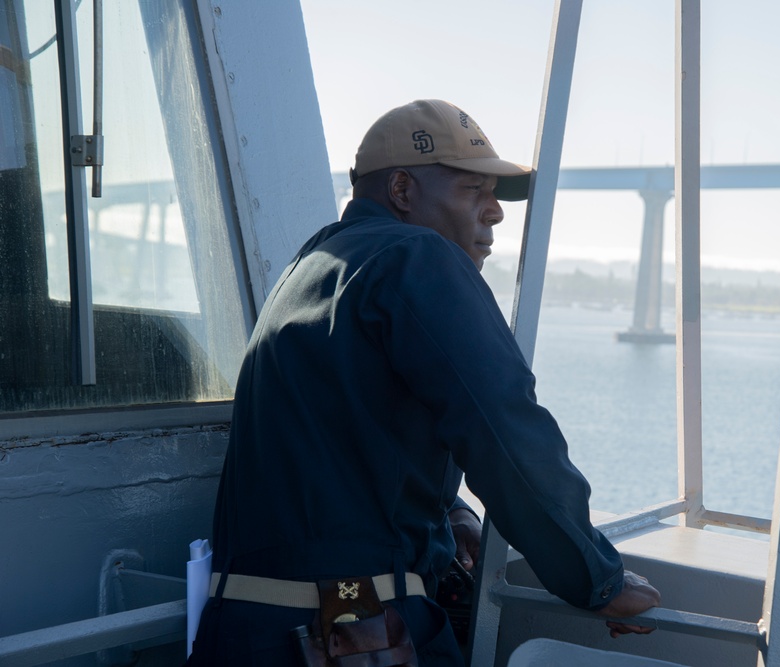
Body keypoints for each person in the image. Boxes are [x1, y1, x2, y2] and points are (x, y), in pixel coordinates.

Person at [188, 99, 660, 666]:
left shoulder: (313, 264)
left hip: (242, 630)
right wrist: (597, 577)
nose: (495, 213)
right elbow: (503, 428)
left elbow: (339, 445)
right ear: (404, 192)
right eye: (473, 190)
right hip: (345, 632)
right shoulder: (417, 256)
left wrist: (451, 512)